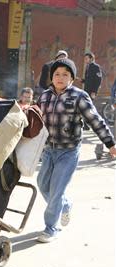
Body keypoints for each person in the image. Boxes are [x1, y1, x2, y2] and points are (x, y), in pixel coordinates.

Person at [35, 58, 116, 243]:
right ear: (52, 77)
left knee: (56, 189)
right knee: (42, 184)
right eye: (57, 74)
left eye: (65, 74)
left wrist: (110, 144)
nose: (60, 77)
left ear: (72, 78)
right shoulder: (45, 96)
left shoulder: (79, 96)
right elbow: (35, 120)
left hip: (68, 152)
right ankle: (65, 205)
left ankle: (51, 228)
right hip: (48, 151)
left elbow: (96, 121)